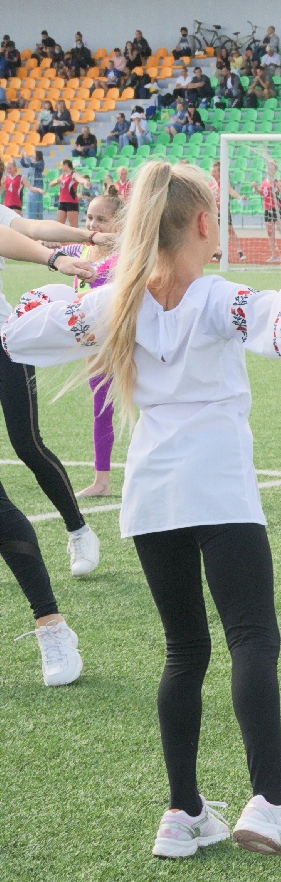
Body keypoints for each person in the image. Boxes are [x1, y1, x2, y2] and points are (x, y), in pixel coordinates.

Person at [4, 162, 281, 872]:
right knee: (252, 638)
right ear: (205, 224)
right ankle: (273, 803)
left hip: (150, 493)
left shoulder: (115, 302)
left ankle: (183, 814)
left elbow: (23, 335)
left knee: (184, 651)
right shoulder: (213, 295)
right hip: (216, 484)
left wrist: (54, 281)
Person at [0, 222, 96, 687]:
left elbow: (15, 228)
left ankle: (51, 623)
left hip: (4, 346)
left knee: (27, 447)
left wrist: (57, 257)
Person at [52, 191, 123, 498]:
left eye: (101, 219)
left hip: (120, 337)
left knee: (152, 402)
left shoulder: (125, 255)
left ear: (119, 223)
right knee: (101, 406)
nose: (93, 224)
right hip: (93, 340)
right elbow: (50, 247)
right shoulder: (80, 249)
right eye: (90, 218)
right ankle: (101, 481)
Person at [253, 161, 281, 265]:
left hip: (277, 208)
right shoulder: (264, 182)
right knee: (270, 232)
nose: (268, 168)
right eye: (268, 166)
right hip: (267, 209)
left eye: (271, 166)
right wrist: (256, 189)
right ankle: (274, 255)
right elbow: (264, 194)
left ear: (274, 170)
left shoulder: (277, 182)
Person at [208, 160, 246, 263]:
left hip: (224, 211)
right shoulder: (210, 184)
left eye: (214, 171)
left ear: (219, 172)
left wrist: (239, 197)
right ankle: (219, 253)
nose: (212, 173)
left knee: (230, 230)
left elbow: (231, 191)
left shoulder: (224, 183)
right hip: (214, 212)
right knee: (216, 232)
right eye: (212, 171)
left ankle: (239, 251)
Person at [52, 159, 89, 228]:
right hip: (62, 201)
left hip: (71, 202)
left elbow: (80, 179)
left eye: (62, 165)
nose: (61, 167)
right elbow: (51, 184)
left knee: (73, 225)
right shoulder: (62, 176)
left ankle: (75, 235)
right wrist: (57, 181)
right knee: (59, 224)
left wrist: (85, 182)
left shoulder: (74, 175)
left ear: (66, 165)